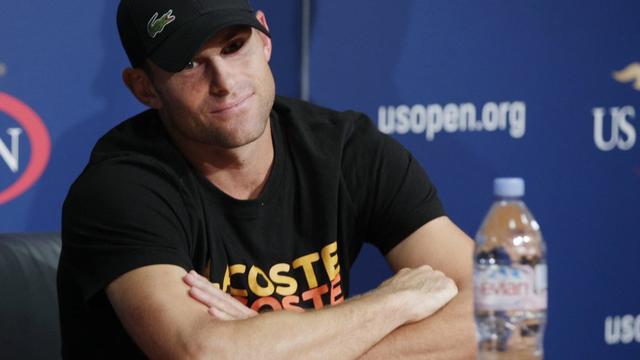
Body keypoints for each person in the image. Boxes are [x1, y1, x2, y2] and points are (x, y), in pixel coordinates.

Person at [57, 0, 476, 358]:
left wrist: (287, 347)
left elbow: (498, 311)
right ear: (145, 88)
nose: (224, 82)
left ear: (266, 39)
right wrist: (391, 302)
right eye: (189, 64)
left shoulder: (347, 148)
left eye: (235, 47)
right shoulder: (121, 188)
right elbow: (202, 351)